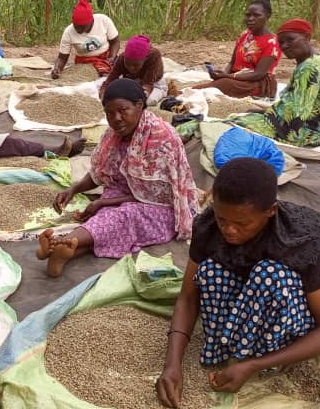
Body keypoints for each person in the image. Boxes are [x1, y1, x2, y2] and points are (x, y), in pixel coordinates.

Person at [155, 158, 320, 408]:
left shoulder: (303, 241)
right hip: (262, 282)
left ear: (271, 210)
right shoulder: (208, 226)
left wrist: (254, 365)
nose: (229, 230)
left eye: (242, 223)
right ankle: (241, 350)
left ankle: (267, 357)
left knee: (270, 276)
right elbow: (188, 296)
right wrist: (172, 364)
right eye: (222, 219)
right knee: (210, 271)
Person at [37, 79, 200, 277]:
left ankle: (62, 243)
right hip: (120, 195)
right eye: (109, 113)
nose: (117, 118)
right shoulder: (113, 135)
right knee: (109, 217)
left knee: (123, 216)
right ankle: (66, 251)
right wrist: (74, 190)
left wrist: (104, 202)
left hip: (159, 208)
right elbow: (99, 173)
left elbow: (160, 196)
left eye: (123, 110)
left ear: (139, 105)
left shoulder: (162, 138)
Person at [226, 19, 320, 147]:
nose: (284, 46)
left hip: (309, 132)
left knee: (232, 123)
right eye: (281, 43)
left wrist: (267, 115)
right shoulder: (317, 60)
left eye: (290, 40)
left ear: (306, 37)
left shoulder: (309, 68)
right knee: (247, 116)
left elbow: (297, 112)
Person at [193, 0, 280, 98]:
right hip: (237, 79)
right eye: (248, 15)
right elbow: (232, 62)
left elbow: (258, 74)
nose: (250, 19)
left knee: (222, 84)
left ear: (267, 16)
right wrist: (222, 74)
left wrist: (227, 77)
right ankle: (188, 92)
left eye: (256, 15)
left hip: (257, 84)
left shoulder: (273, 42)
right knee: (220, 84)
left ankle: (186, 92)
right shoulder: (245, 35)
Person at [51, 0, 120, 79]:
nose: (78, 30)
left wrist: (112, 57)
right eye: (76, 26)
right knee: (100, 75)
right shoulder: (68, 32)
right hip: (85, 61)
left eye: (82, 27)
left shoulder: (103, 20)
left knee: (121, 66)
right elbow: (62, 57)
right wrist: (57, 68)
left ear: (91, 21)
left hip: (106, 56)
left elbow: (115, 41)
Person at [100, 35, 166, 106]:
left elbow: (148, 85)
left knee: (148, 101)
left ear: (144, 60)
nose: (131, 68)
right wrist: (104, 96)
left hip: (153, 82)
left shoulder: (154, 56)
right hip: (132, 80)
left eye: (136, 65)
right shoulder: (122, 58)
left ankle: (163, 91)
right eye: (128, 64)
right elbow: (110, 80)